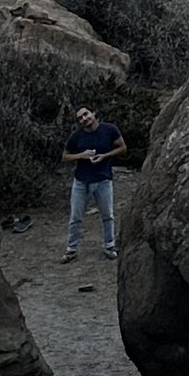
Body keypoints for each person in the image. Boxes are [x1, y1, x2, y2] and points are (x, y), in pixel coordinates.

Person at [62, 105, 125, 262]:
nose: (84, 119)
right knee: (75, 216)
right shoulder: (76, 136)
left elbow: (122, 147)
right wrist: (81, 155)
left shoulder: (109, 130)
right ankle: (71, 249)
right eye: (80, 118)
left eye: (86, 114)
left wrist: (105, 156)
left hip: (103, 179)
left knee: (108, 215)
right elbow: (65, 156)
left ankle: (109, 245)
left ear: (93, 113)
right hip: (81, 181)